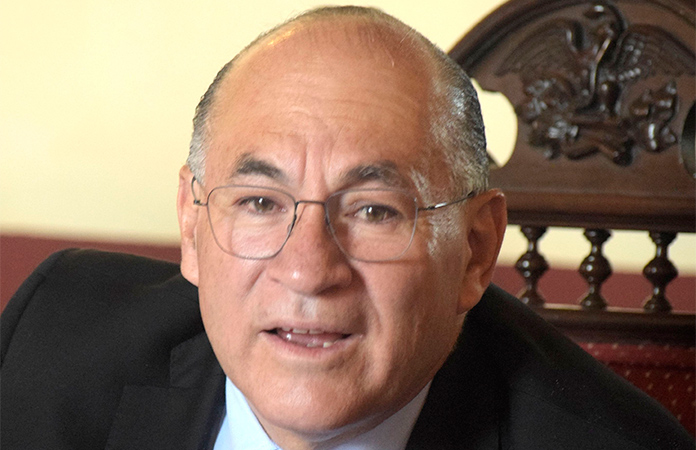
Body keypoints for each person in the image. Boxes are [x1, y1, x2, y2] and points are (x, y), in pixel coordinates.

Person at [1, 6, 692, 450]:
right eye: (260, 202)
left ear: (476, 250)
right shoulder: (50, 342)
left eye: (373, 211)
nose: (307, 271)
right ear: (191, 223)